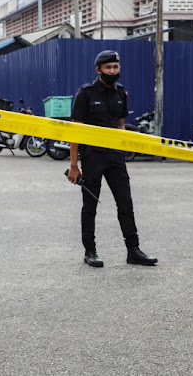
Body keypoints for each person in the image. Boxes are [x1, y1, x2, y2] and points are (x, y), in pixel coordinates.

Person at [68, 50, 158, 268]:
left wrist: (122, 150)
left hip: (115, 157)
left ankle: (133, 250)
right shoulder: (86, 93)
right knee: (90, 206)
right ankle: (90, 251)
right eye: (108, 68)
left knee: (125, 203)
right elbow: (74, 131)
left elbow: (120, 124)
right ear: (98, 70)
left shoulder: (121, 93)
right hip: (92, 157)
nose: (113, 71)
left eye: (116, 67)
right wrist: (73, 165)